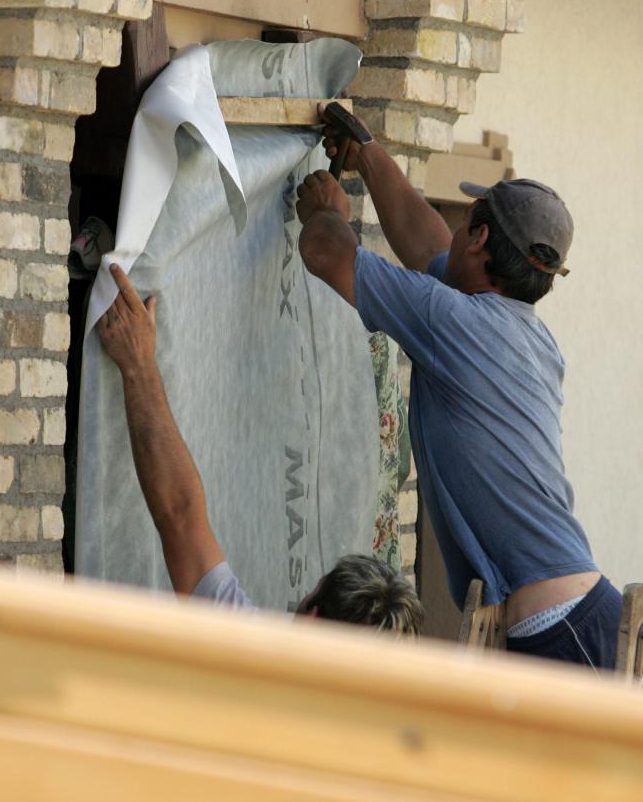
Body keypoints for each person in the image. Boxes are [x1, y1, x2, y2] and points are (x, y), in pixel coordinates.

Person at [294, 108, 622, 669]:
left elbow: (325, 252)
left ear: (482, 237)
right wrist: (365, 154)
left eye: (469, 222)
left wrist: (328, 212)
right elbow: (428, 249)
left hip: (560, 632)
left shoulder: (456, 325)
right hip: (582, 615)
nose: (458, 236)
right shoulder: (527, 336)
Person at [96, 263, 424, 636]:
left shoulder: (250, 652)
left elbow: (179, 514)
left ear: (312, 615)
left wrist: (138, 364)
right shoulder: (371, 693)